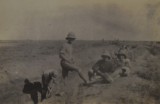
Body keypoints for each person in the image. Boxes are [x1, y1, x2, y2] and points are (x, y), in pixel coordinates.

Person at [59, 32, 88, 104]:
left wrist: (72, 60)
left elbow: (70, 55)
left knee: (65, 76)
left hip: (67, 62)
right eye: (70, 38)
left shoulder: (70, 46)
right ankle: (86, 81)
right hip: (64, 63)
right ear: (68, 38)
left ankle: (63, 91)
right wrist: (68, 60)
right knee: (78, 69)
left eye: (73, 39)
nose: (72, 40)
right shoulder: (64, 45)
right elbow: (61, 55)